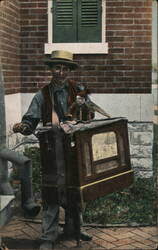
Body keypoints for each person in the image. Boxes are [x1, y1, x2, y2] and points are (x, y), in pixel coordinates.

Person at [13, 50, 93, 250]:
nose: (61, 72)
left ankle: (75, 228)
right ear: (51, 69)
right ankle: (48, 235)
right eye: (57, 67)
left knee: (76, 188)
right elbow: (30, 118)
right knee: (52, 191)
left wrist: (83, 114)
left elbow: (90, 114)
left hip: (74, 148)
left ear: (69, 70)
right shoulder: (42, 95)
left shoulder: (79, 90)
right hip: (52, 150)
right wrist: (24, 126)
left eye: (65, 68)